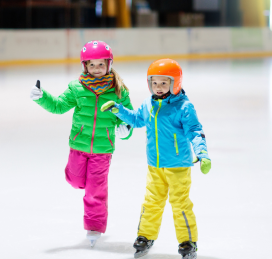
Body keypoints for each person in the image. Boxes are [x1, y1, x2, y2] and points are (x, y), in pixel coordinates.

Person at [101, 59, 211, 259]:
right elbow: (136, 120)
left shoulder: (184, 107)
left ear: (175, 83)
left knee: (180, 204)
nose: (158, 87)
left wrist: (202, 153)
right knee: (151, 202)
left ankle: (188, 242)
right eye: (154, 83)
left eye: (164, 83)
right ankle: (145, 236)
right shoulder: (148, 104)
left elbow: (195, 131)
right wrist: (119, 110)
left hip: (178, 166)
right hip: (155, 166)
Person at [30, 41, 133, 247]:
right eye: (92, 65)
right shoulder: (77, 88)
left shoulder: (119, 91)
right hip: (78, 146)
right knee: (76, 181)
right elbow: (59, 106)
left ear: (109, 65)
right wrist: (42, 98)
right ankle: (80, 181)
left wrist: (126, 130)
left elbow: (128, 117)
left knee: (96, 189)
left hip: (103, 151)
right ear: (85, 66)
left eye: (101, 65)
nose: (96, 69)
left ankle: (94, 226)